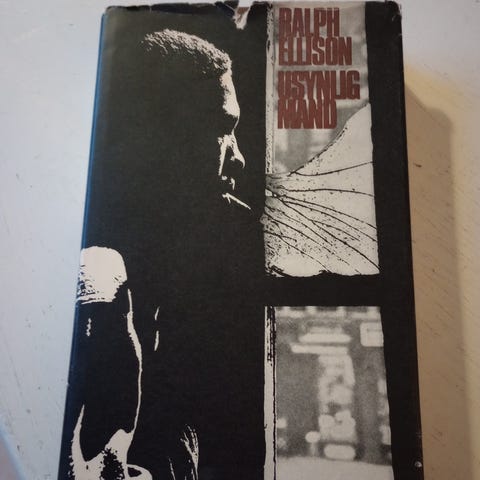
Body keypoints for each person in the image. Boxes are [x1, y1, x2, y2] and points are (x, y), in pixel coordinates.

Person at [61, 29, 258, 480]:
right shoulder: (98, 283)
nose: (239, 159)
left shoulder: (160, 292)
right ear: (162, 138)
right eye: (223, 130)